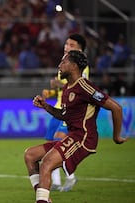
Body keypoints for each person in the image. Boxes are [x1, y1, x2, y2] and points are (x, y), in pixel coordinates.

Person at [25, 50, 128, 203]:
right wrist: (46, 106)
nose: (59, 65)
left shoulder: (85, 87)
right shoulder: (67, 89)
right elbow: (65, 116)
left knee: (47, 162)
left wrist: (116, 137)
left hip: (84, 138)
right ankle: (44, 198)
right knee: (30, 155)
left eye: (63, 62)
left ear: (73, 66)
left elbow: (116, 108)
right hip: (73, 136)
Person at [41, 33, 88, 192]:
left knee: (58, 142)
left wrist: (58, 85)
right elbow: (63, 89)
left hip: (69, 111)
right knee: (50, 146)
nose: (66, 46)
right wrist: (51, 92)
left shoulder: (81, 66)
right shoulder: (64, 63)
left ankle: (71, 177)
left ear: (79, 49)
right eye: (66, 43)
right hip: (58, 108)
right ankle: (56, 182)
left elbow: (78, 86)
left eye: (71, 45)